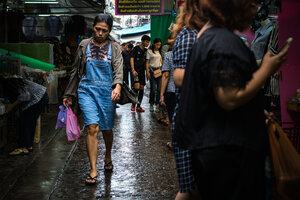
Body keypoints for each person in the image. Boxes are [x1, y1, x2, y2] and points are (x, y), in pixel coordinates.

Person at [174, 0, 291, 199]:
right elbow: (228, 98)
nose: (255, 9)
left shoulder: (211, 37)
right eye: (251, 3)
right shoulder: (222, 41)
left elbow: (215, 91)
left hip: (216, 150)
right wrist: (266, 69)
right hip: (228, 155)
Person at [63, 14, 123, 185]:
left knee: (107, 130)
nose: (100, 33)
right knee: (92, 128)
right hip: (86, 90)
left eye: (104, 30)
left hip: (107, 92)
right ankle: (93, 169)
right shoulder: (84, 45)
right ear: (93, 27)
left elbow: (119, 69)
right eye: (97, 29)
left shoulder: (115, 47)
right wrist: (69, 94)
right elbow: (75, 71)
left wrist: (117, 86)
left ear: (109, 31)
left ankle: (108, 155)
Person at [170, 0, 206, 199]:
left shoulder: (200, 35)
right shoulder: (189, 35)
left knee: (193, 190)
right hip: (190, 120)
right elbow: (179, 78)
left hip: (197, 120)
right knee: (191, 189)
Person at [0, 76, 48, 156]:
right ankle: (28, 146)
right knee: (30, 122)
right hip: (42, 96)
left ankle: (23, 148)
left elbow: (25, 96)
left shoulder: (10, 84)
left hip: (39, 98)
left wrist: (11, 106)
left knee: (24, 121)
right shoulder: (14, 81)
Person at [160, 41, 175, 149]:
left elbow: (165, 75)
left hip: (171, 91)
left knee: (171, 117)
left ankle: (173, 142)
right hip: (187, 90)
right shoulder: (192, 53)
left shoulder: (169, 55)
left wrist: (161, 95)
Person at [130, 35, 151, 112]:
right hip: (136, 71)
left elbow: (146, 63)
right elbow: (132, 59)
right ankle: (133, 104)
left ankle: (138, 106)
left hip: (142, 72)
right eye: (147, 41)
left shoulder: (146, 51)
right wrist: (133, 70)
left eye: (148, 42)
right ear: (143, 41)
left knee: (141, 88)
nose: (148, 43)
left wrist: (147, 72)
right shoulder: (136, 48)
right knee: (136, 87)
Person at [146, 38, 163, 113]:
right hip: (152, 71)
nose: (158, 46)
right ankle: (151, 104)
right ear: (154, 44)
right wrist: (147, 72)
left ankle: (157, 105)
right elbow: (147, 62)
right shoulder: (149, 51)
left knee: (159, 89)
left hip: (159, 71)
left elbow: (161, 60)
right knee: (153, 89)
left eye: (160, 45)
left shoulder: (160, 51)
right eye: (157, 44)